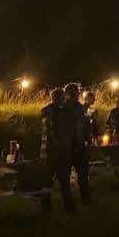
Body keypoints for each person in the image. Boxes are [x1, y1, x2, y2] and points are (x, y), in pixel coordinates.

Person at [53, 83, 92, 212]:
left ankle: (75, 203)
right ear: (71, 93)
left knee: (74, 176)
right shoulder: (71, 107)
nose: (78, 94)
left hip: (71, 145)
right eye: (76, 92)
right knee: (77, 176)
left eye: (78, 92)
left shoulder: (66, 107)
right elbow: (78, 126)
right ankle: (78, 202)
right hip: (72, 146)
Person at [39, 88, 65, 211]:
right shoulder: (55, 111)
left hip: (45, 149)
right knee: (61, 177)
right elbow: (54, 131)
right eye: (63, 97)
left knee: (46, 179)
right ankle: (66, 205)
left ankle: (46, 204)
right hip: (55, 150)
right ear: (60, 98)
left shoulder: (45, 110)